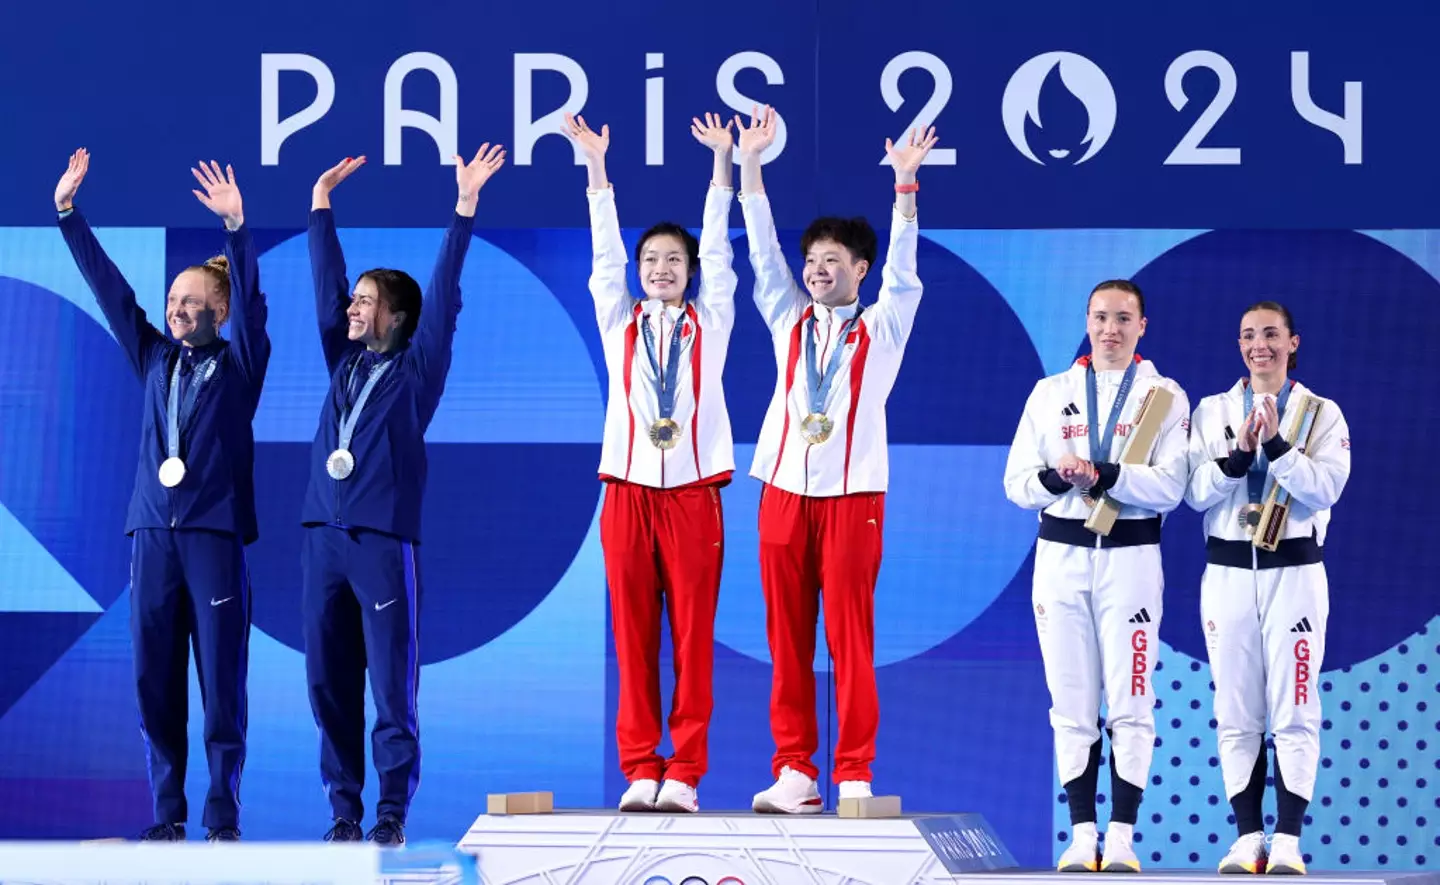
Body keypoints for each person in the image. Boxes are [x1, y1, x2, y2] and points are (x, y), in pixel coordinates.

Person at [53, 149, 269, 842]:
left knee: (220, 682)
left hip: (211, 533)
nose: (176, 311)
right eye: (172, 303)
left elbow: (257, 312)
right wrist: (67, 215)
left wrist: (237, 230)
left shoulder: (239, 365)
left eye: (190, 303)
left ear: (219, 309)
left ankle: (223, 814)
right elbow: (112, 291)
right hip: (150, 534)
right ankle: (167, 812)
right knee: (155, 677)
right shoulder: (153, 357)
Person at [735, 105, 937, 814]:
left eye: (833, 262)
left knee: (851, 639)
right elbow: (761, 252)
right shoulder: (788, 318)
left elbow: (906, 275)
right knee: (786, 640)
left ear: (861, 269)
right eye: (812, 261)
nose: (817, 271)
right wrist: (750, 166)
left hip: (855, 499)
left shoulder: (882, 327)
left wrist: (904, 189)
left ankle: (853, 770)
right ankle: (795, 769)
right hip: (783, 493)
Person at [302, 145, 504, 844]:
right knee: (327, 686)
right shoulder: (343, 363)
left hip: (383, 541)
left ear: (394, 316)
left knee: (390, 685)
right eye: (353, 299)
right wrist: (321, 206)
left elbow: (443, 294)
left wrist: (464, 208)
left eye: (366, 301)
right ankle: (343, 812)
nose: (352, 307)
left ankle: (389, 811)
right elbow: (324, 283)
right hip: (321, 540)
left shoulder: (417, 373)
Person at [562, 111, 737, 813]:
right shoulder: (618, 320)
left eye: (673, 261)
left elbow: (723, 253)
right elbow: (604, 257)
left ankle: (685, 771)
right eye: (651, 262)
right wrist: (596, 170)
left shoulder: (712, 320)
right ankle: (640, 767)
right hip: (628, 492)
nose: (660, 269)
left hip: (694, 493)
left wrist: (722, 165)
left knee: (694, 640)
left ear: (690, 274)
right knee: (632, 636)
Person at [1002, 280, 1190, 872]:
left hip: (1131, 560)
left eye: (1123, 319)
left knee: (1132, 699)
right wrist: (1059, 480)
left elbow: (1171, 488)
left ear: (1142, 326)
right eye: (1101, 317)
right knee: (1071, 703)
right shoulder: (1050, 392)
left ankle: (1125, 836)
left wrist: (1105, 473)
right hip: (1060, 560)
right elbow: (1015, 483)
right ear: (1086, 321)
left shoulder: (1164, 396)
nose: (1111, 329)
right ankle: (1083, 835)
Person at [1185, 301, 1349, 876]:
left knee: (1296, 707)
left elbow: (1326, 489)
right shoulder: (1212, 411)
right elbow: (1194, 492)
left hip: (1295, 574)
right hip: (1228, 574)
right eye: (1249, 335)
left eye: (1272, 335)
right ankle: (1247, 836)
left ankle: (1288, 841)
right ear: (1239, 345)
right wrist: (1239, 456)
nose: (1261, 345)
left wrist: (1278, 446)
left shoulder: (1322, 413)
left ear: (1293, 343)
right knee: (1235, 710)